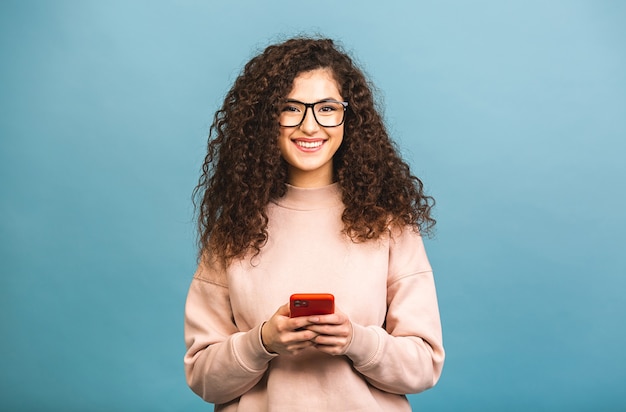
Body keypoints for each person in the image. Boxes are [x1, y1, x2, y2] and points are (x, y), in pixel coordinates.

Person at [184, 37, 445, 411]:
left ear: (348, 117)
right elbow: (203, 377)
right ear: (264, 118)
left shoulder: (389, 225)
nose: (310, 126)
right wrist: (262, 343)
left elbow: (424, 368)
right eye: (290, 108)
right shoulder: (236, 228)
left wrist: (356, 340)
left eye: (326, 108)